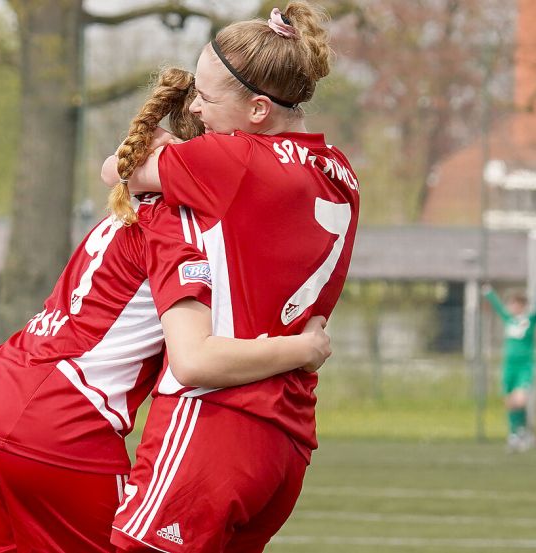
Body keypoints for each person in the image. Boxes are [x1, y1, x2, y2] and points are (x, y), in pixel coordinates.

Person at [0, 67, 332, 553]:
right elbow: (195, 359)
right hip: (62, 420)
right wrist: (302, 347)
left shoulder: (120, 211)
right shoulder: (178, 227)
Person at [100, 3, 360, 551]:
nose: (194, 107)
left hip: (216, 417)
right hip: (287, 440)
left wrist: (174, 149)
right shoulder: (341, 172)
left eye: (207, 98)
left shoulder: (233, 160)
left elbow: (118, 170)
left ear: (259, 109)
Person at [483, 284, 536, 452]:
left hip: (525, 365)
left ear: (522, 305)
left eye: (516, 304)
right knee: (509, 401)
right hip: (509, 367)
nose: (512, 307)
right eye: (511, 304)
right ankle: (515, 433)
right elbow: (498, 307)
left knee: (520, 400)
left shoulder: (529, 321)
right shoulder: (509, 319)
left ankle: (521, 432)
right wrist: (489, 293)